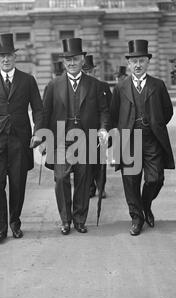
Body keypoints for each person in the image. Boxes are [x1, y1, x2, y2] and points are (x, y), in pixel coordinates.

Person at [0, 33, 44, 244]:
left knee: (17, 183)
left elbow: (38, 110)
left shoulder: (28, 80)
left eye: (9, 56)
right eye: (1, 56)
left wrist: (37, 133)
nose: (6, 60)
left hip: (20, 140)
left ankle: (15, 223)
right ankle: (0, 228)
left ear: (15, 57)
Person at [41, 38, 110, 235]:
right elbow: (44, 113)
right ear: (64, 62)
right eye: (68, 59)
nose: (71, 62)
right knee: (61, 177)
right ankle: (65, 220)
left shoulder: (95, 85)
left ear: (82, 60)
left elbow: (104, 111)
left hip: (86, 140)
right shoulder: (53, 86)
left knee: (83, 180)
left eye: (75, 59)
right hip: (61, 140)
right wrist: (42, 136)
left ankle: (79, 219)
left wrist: (104, 129)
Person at [110, 39, 175, 236]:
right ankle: (136, 218)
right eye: (134, 61)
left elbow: (167, 111)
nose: (138, 65)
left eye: (141, 61)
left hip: (151, 139)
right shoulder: (120, 87)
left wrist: (154, 124)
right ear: (129, 64)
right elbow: (113, 114)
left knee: (155, 179)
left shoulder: (158, 85)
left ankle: (146, 205)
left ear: (148, 62)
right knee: (130, 181)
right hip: (129, 141)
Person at [82, 55, 112, 199]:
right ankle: (90, 187)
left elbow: (110, 108)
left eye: (90, 71)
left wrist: (106, 128)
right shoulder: (79, 88)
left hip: (99, 130)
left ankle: (101, 187)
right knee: (87, 161)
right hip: (83, 132)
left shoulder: (102, 86)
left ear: (94, 71)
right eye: (85, 71)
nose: (88, 74)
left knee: (100, 162)